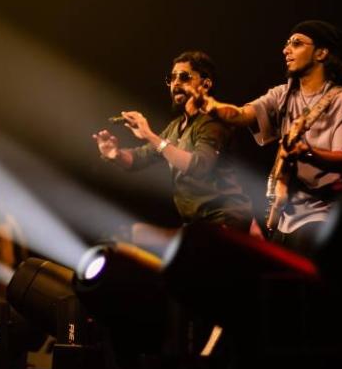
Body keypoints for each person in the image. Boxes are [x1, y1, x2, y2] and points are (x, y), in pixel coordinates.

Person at [199, 20, 342, 254]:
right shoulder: (282, 94)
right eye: (287, 43)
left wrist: (306, 152)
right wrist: (212, 106)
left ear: (321, 52)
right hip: (283, 219)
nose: (285, 49)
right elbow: (240, 114)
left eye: (296, 43)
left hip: (320, 217)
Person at [93, 50, 254, 245]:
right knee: (133, 235)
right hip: (199, 225)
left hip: (226, 221)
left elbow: (198, 166)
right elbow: (137, 159)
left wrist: (149, 135)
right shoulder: (175, 127)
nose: (176, 83)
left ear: (206, 83)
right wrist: (115, 154)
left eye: (184, 77)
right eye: (172, 78)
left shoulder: (213, 122)